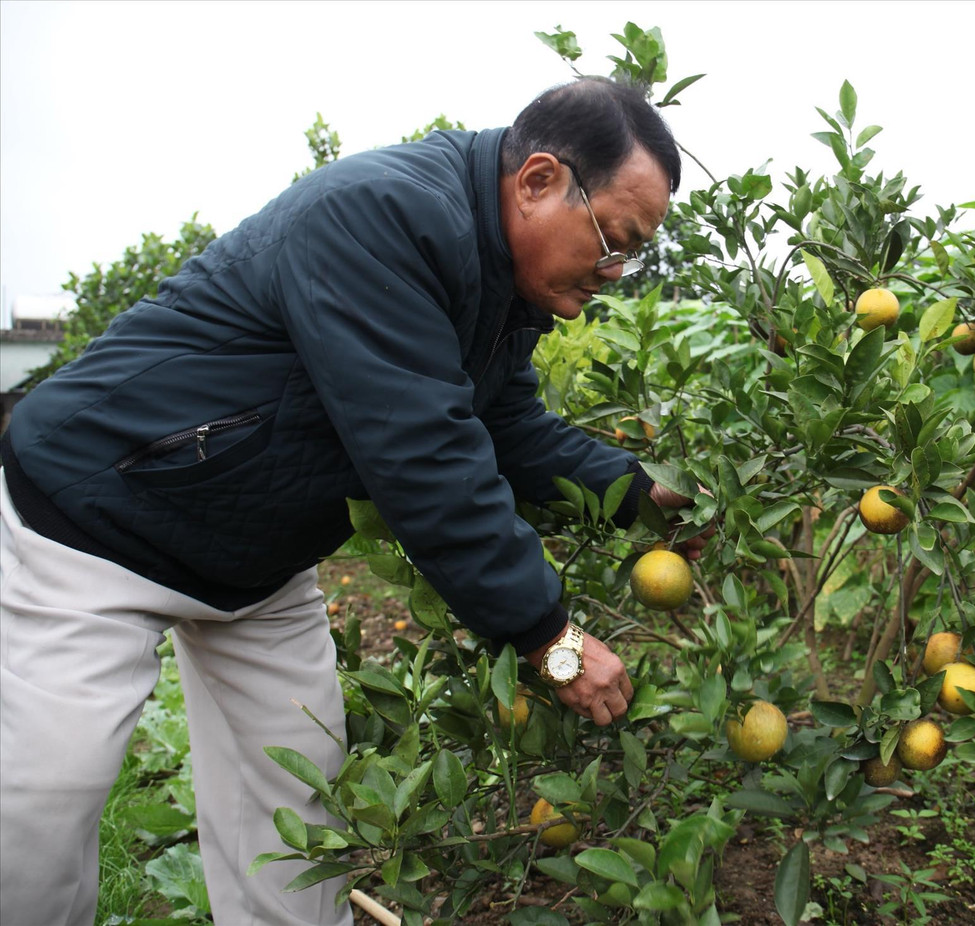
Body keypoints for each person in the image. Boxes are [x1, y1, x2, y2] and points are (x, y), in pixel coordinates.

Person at [0, 77, 708, 925]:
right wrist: (550, 638)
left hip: (255, 562)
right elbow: (426, 455)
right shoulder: (384, 216)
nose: (616, 272)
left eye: (632, 254)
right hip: (97, 519)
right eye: (612, 240)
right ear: (537, 181)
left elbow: (507, 429)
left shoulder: (501, 286)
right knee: (40, 806)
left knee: (300, 813)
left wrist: (646, 497)